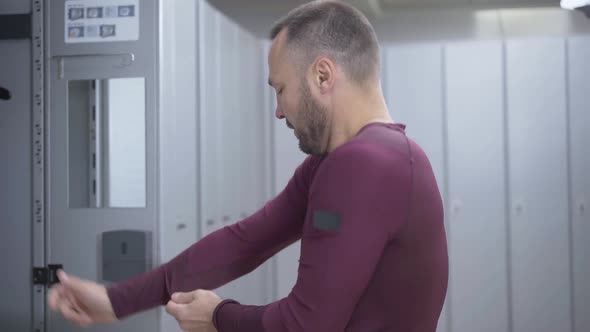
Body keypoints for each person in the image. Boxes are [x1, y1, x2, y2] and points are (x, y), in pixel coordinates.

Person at [48, 1, 448, 331]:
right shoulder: (379, 158)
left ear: (322, 75)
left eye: (281, 88)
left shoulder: (361, 165)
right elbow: (244, 241)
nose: (278, 111)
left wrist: (218, 317)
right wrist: (115, 301)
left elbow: (305, 326)